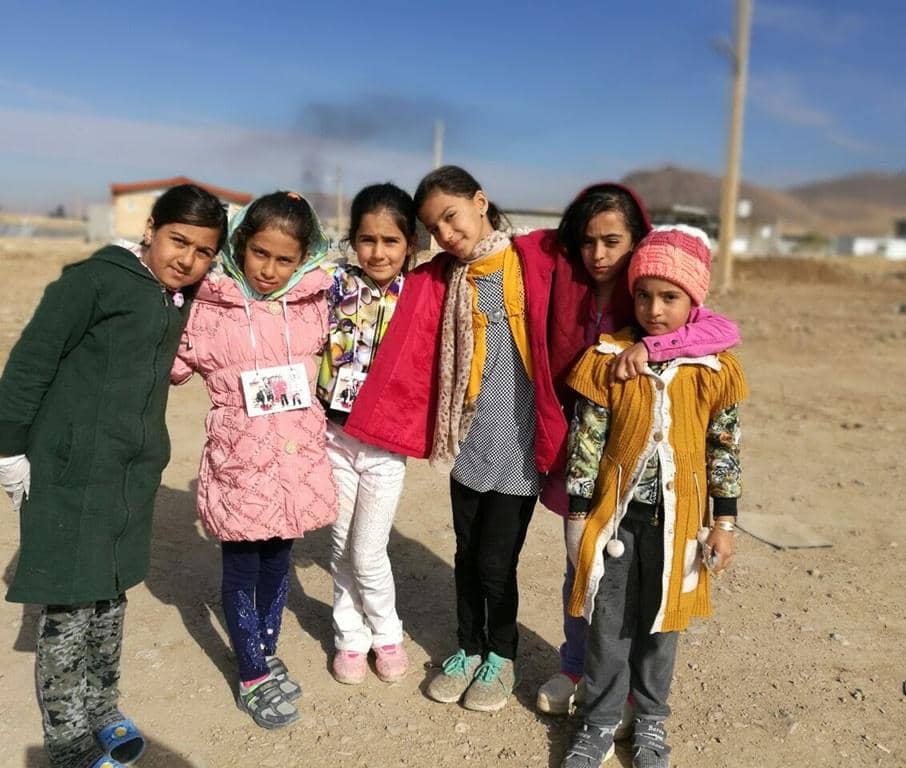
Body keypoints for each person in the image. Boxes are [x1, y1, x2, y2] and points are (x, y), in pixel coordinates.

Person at [0, 184, 227, 768]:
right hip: (71, 470)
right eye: (177, 241)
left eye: (202, 250)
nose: (187, 258)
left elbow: (267, 256)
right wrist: (4, 448)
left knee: (111, 593)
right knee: (69, 605)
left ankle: (102, 708)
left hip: (128, 471)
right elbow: (31, 360)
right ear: (150, 229)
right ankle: (67, 741)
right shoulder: (93, 280)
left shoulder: (178, 293)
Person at [345, 165, 570, 712]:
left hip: (519, 450)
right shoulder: (442, 278)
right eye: (435, 227)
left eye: (451, 216)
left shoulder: (531, 262)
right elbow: (357, 273)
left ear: (480, 201)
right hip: (469, 446)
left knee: (497, 563)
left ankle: (502, 653)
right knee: (466, 553)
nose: (446, 233)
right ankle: (468, 647)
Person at [536, 184, 740, 718]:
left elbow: (720, 331)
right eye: (587, 241)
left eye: (612, 241)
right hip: (583, 459)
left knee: (645, 590)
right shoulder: (566, 285)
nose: (598, 254)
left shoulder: (657, 298)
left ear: (636, 244)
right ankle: (577, 668)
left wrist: (653, 344)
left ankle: (628, 695)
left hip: (658, 490)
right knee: (583, 572)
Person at [170, 191, 336, 730]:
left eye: (284, 259)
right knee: (241, 569)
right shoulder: (208, 305)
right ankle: (251, 674)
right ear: (241, 245)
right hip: (240, 466)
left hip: (296, 466)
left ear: (303, 257)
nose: (269, 269)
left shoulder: (316, 302)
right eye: (259, 253)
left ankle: (264, 650)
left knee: (277, 560)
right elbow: (168, 365)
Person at [316, 183, 416, 685]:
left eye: (390, 241)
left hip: (385, 446)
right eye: (367, 239)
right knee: (338, 547)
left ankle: (387, 634)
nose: (378, 252)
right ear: (352, 240)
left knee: (367, 549)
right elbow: (281, 254)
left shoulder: (421, 295)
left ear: (410, 244)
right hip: (334, 437)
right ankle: (349, 640)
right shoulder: (333, 283)